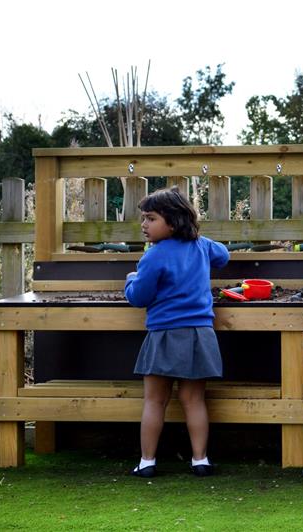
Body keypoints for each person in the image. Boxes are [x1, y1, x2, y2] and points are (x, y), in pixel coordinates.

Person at [124, 187, 229, 478]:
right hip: (199, 334)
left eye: (150, 218)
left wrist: (130, 279)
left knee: (154, 400)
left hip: (164, 335)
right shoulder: (202, 246)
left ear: (172, 221)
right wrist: (201, 243)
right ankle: (200, 460)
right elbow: (224, 255)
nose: (144, 225)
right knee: (194, 400)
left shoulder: (153, 257)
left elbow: (138, 297)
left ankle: (147, 462)